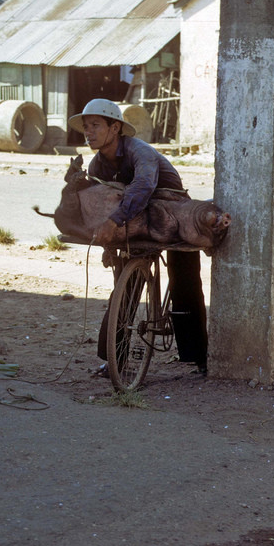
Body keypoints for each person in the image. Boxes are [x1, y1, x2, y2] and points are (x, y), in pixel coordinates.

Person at [69, 98, 207, 374]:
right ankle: (114, 360)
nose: (89, 132)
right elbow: (100, 205)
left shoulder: (140, 152)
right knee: (124, 286)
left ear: (115, 127)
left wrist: (115, 221)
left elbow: (143, 187)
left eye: (96, 125)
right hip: (136, 221)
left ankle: (200, 358)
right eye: (86, 126)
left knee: (185, 281)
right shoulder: (97, 166)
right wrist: (107, 243)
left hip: (173, 217)